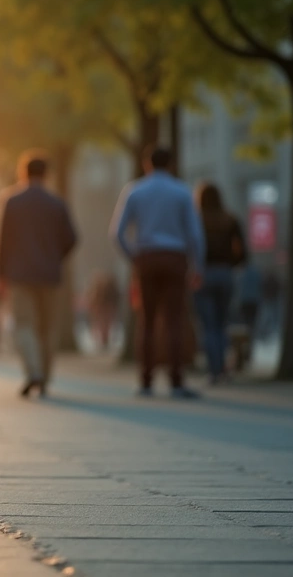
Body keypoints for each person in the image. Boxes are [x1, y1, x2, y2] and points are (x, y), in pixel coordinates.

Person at [111, 147, 204, 399]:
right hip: (175, 259)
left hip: (147, 258)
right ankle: (176, 381)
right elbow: (195, 234)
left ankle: (146, 381)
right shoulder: (182, 191)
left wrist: (134, 258)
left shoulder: (135, 191)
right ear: (172, 164)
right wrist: (198, 266)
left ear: (146, 164)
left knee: (147, 321)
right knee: (175, 321)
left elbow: (117, 233)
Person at [0, 154, 77, 398]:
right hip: (50, 274)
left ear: (23, 173)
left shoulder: (11, 201)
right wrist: (55, 257)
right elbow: (72, 238)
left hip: (20, 274)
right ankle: (45, 377)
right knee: (47, 328)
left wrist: (1, 273)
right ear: (46, 174)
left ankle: (34, 371)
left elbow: (2, 241)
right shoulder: (57, 203)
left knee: (24, 324)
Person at [193, 183, 246, 385]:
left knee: (208, 325)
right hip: (225, 274)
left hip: (203, 273)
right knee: (222, 323)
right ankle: (223, 367)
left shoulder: (197, 220)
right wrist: (233, 264)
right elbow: (241, 251)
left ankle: (214, 370)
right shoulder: (230, 219)